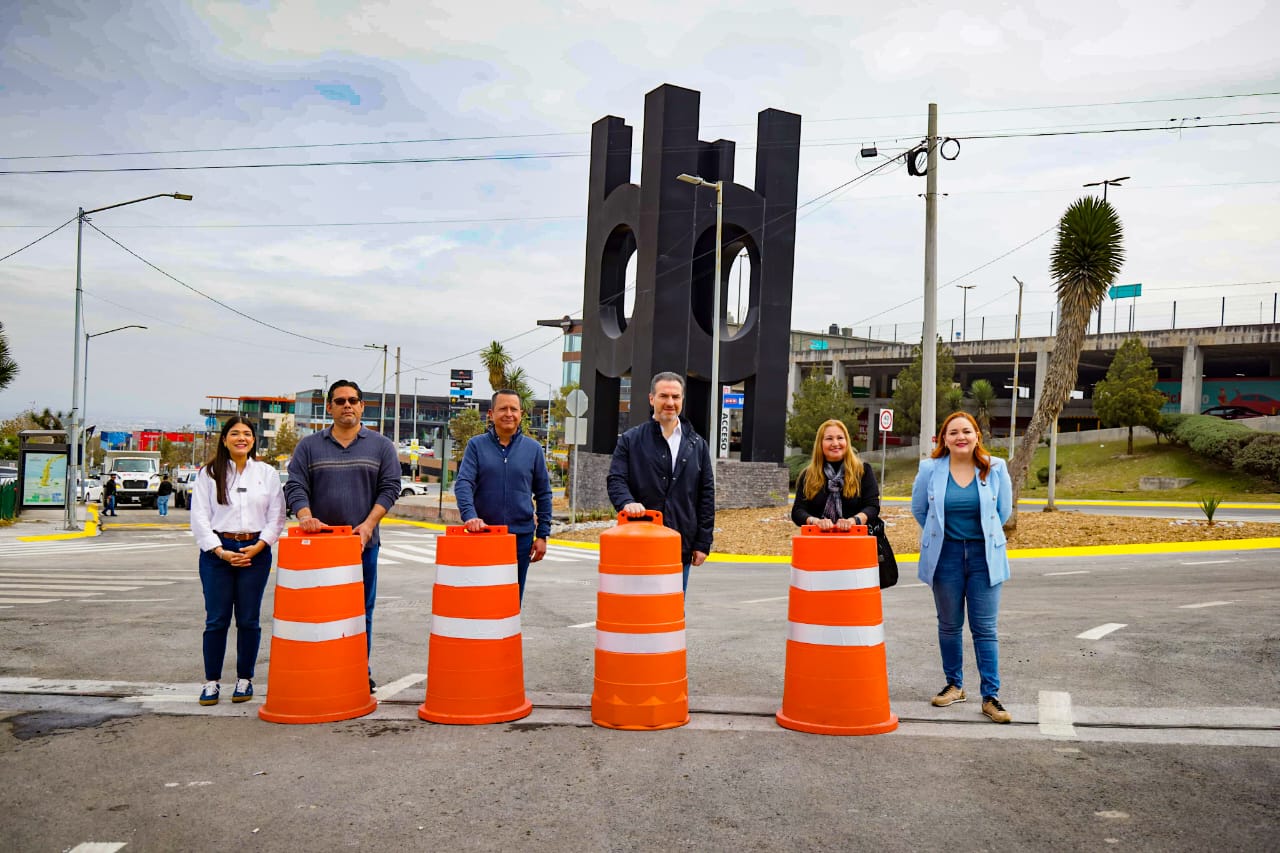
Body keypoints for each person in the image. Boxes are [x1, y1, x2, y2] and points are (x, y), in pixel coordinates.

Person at [285, 380, 400, 693]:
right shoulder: (308, 447)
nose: (347, 405)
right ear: (329, 407)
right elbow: (295, 486)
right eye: (340, 401)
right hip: (318, 549)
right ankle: (320, 670)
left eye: (353, 400)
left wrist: (368, 525)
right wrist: (305, 516)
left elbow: (390, 488)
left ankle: (358, 671)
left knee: (361, 612)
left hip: (363, 545)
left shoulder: (381, 446)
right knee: (317, 613)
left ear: (363, 406)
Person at [911, 411, 1014, 724]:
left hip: (985, 558)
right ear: (944, 438)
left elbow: (1003, 512)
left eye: (966, 431)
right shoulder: (930, 469)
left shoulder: (995, 467)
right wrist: (942, 535)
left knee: (985, 629)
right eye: (953, 432)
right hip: (946, 557)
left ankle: (991, 696)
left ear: (976, 436)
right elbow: (920, 509)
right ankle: (954, 685)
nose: (960, 437)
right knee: (949, 624)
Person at [189, 416, 286, 706]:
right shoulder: (208, 473)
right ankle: (212, 682)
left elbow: (277, 516)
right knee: (216, 620)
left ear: (254, 440)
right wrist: (220, 551)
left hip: (255, 551)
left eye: (246, 434)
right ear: (224, 439)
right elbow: (200, 518)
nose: (241, 438)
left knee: (248, 619)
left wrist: (258, 546)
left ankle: (245, 679)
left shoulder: (267, 473)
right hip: (217, 553)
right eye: (234, 433)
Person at [607, 372, 715, 592]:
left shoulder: (698, 445)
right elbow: (616, 479)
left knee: (672, 612)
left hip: (679, 546)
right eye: (663, 396)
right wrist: (627, 502)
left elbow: (706, 495)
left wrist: (703, 543)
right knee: (637, 609)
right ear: (651, 399)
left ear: (682, 400)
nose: (670, 402)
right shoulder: (631, 440)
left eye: (676, 397)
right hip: (639, 541)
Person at [454, 389, 553, 602]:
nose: (508, 414)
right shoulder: (476, 446)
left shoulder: (533, 449)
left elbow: (544, 493)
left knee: (511, 601)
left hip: (521, 539)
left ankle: (508, 636)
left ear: (521, 414)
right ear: (491, 413)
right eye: (503, 409)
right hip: (483, 536)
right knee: (480, 600)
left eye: (513, 409)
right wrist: (470, 516)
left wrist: (543, 535)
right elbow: (463, 483)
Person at [791, 418, 882, 532]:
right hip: (819, 542)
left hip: (857, 541)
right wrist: (816, 522)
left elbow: (872, 507)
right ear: (820, 443)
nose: (835, 443)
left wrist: (853, 521)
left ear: (847, 441)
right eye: (829, 439)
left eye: (840, 438)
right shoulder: (808, 475)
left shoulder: (863, 471)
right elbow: (798, 511)